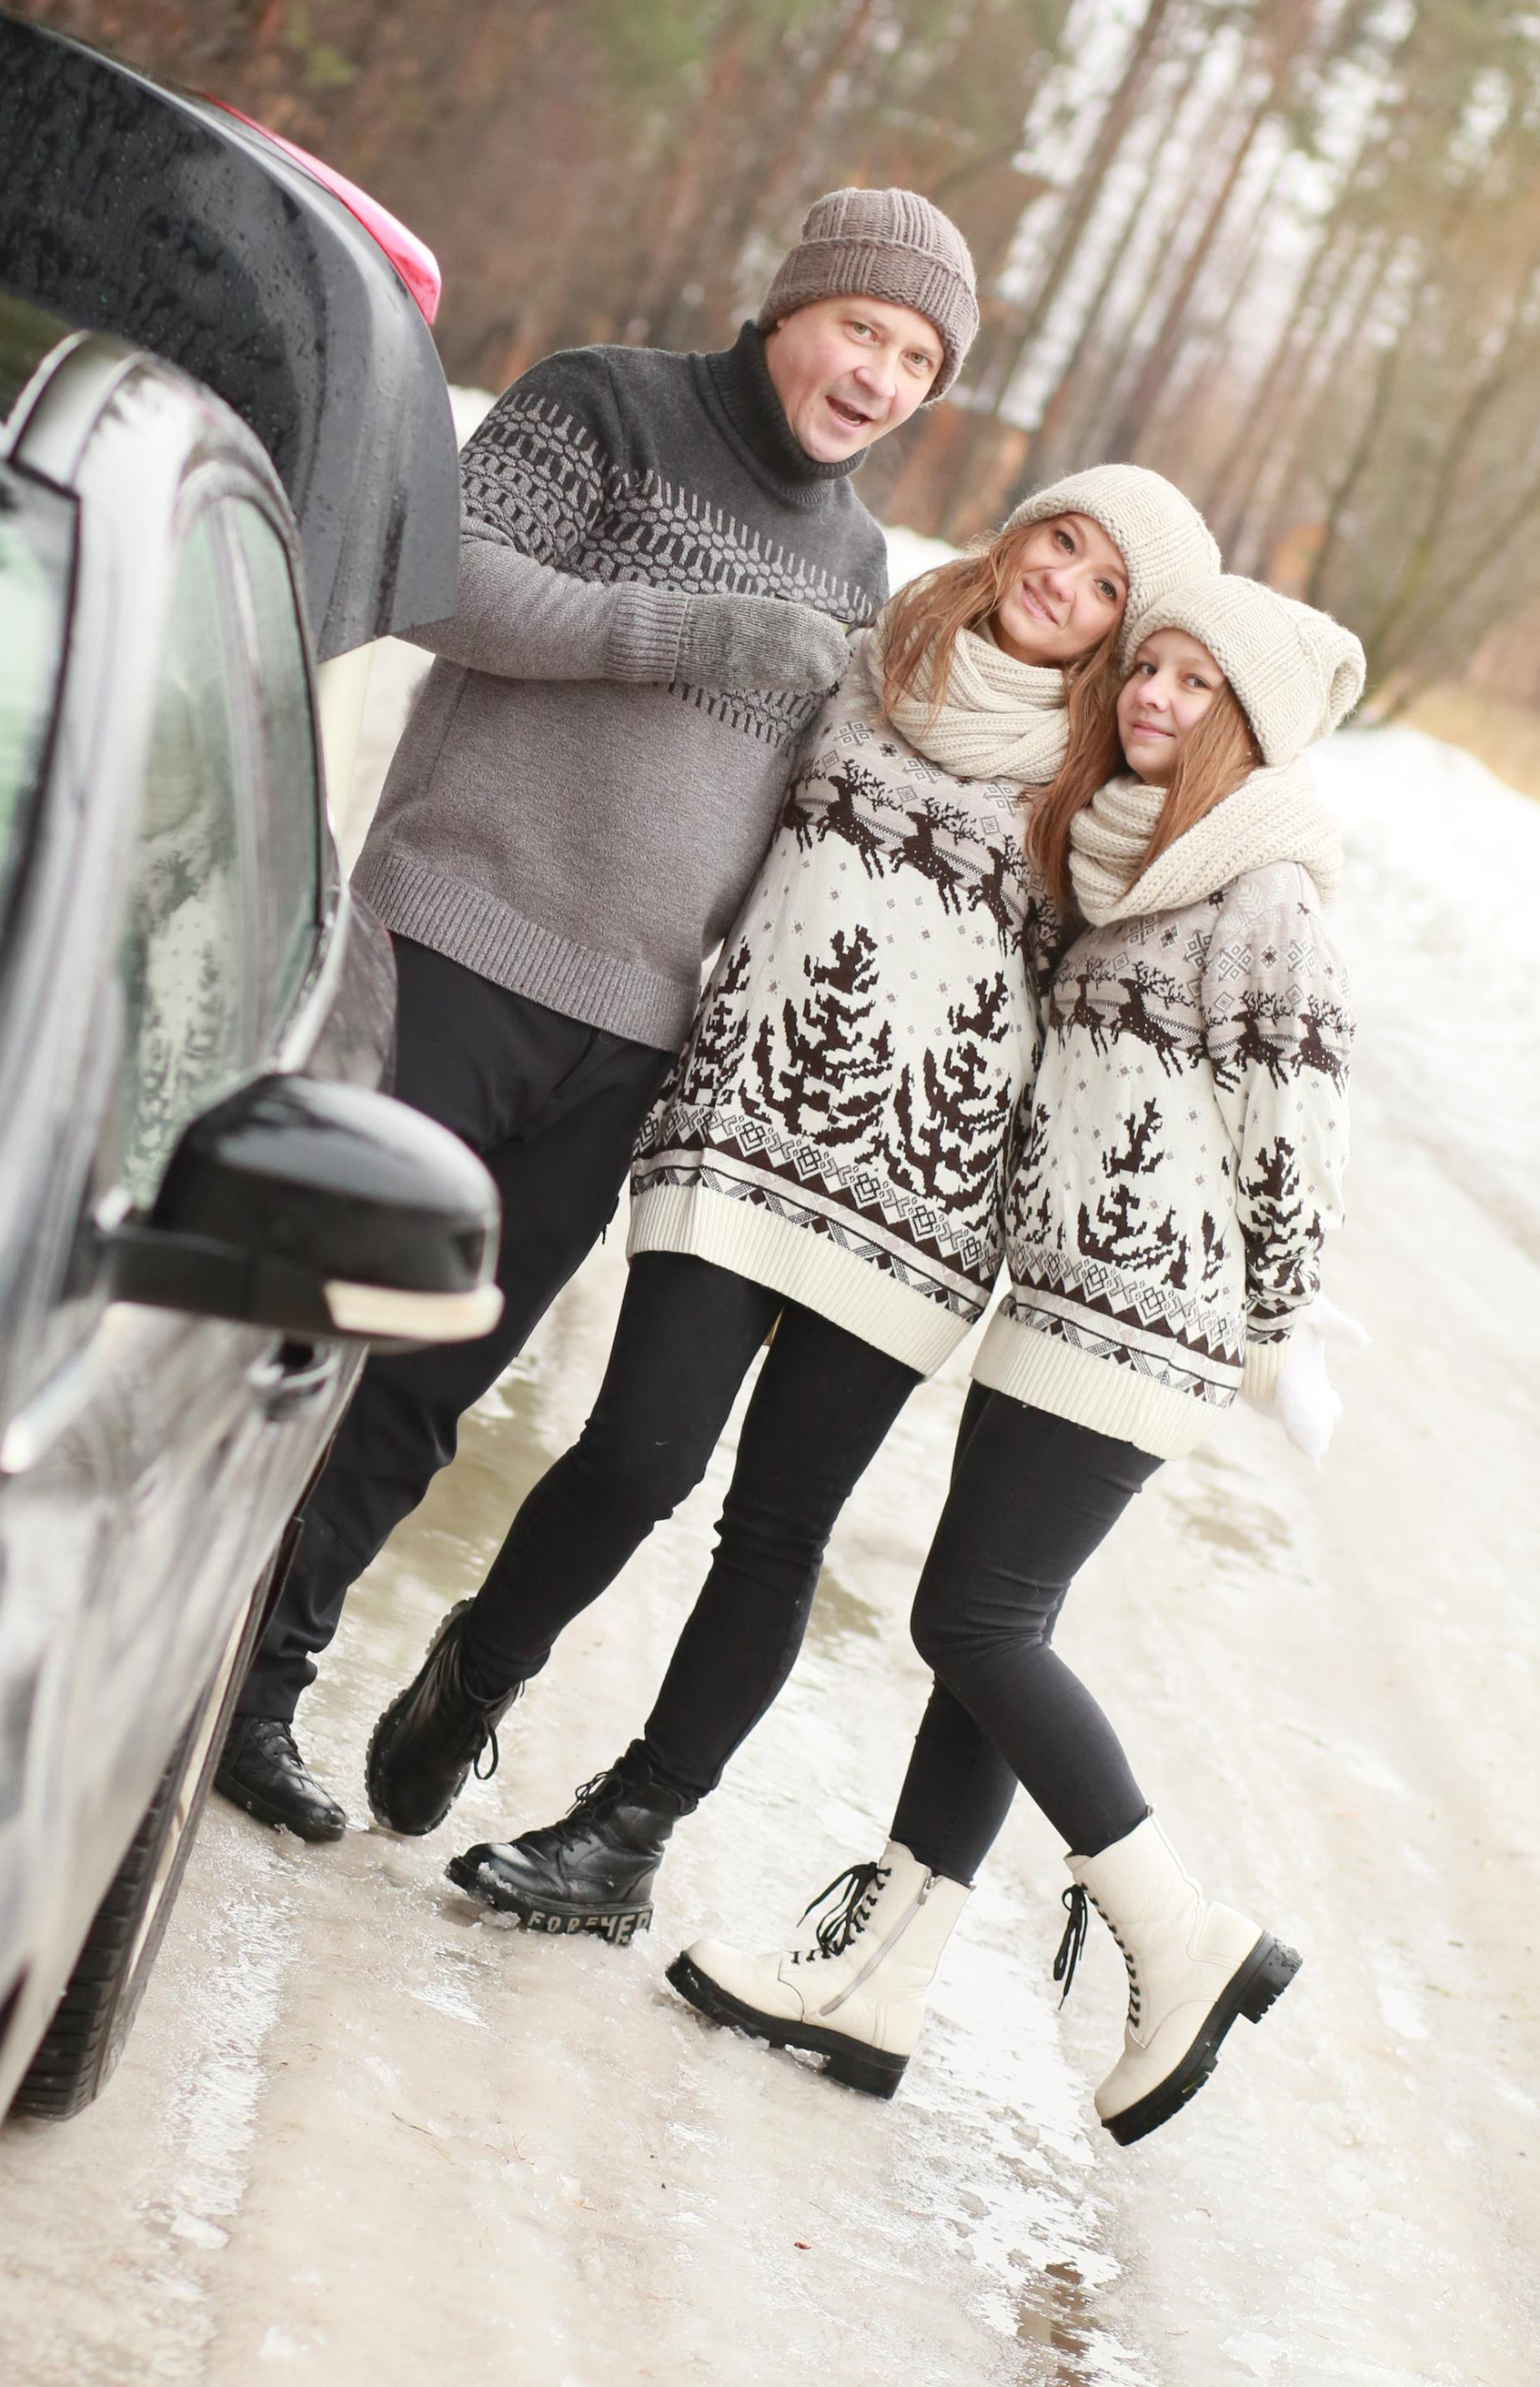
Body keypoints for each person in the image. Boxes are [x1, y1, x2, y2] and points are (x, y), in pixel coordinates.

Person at [217, 189, 977, 1843]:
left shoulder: (859, 562)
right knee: (315, 1322)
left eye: (916, 359)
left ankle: (263, 1679)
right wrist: (680, 628)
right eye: (866, 328)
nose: (878, 375)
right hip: (449, 939)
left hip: (624, 1030)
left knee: (431, 1379)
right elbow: (444, 582)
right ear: (795, 305)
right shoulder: (603, 405)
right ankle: (177, 1648)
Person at [367, 468, 1218, 1939]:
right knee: (637, 1460)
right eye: (1061, 543)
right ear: (1024, 529)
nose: (1062, 587)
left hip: (921, 1218)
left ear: (1117, 640)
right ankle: (481, 1666)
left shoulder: (1103, 796)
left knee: (776, 1533)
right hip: (743, 1130)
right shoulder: (868, 663)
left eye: (1102, 593)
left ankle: (627, 1838)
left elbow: (1208, 892)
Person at [669, 569, 1362, 2148]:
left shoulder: (1264, 896)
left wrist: (1279, 1331)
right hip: (1055, 1307)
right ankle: (879, 1983)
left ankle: (1178, 1935)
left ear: (1250, 730)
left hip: (1143, 1321)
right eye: (1150, 671)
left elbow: (1300, 1133)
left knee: (969, 1619)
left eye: (1198, 687)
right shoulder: (1134, 862)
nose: (1155, 700)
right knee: (996, 1623)